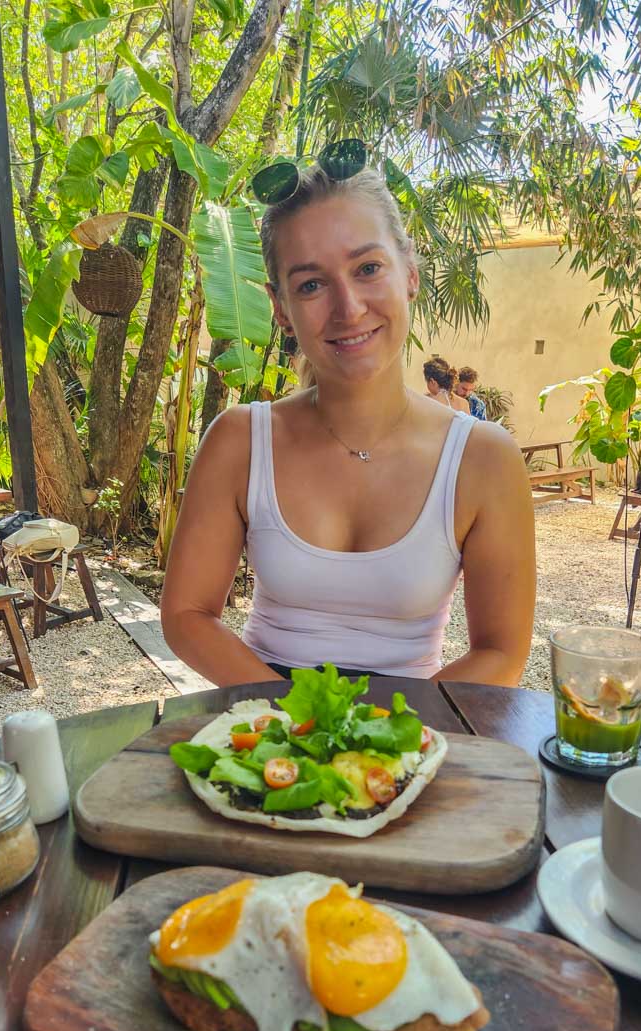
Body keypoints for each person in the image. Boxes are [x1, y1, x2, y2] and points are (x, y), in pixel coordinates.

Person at [161, 160, 535, 685]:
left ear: (410, 272)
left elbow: (502, 653)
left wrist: (382, 731)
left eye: (368, 269)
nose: (349, 308)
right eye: (311, 284)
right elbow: (187, 614)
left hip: (416, 717)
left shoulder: (484, 457)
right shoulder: (240, 441)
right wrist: (300, 720)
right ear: (281, 308)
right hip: (264, 715)